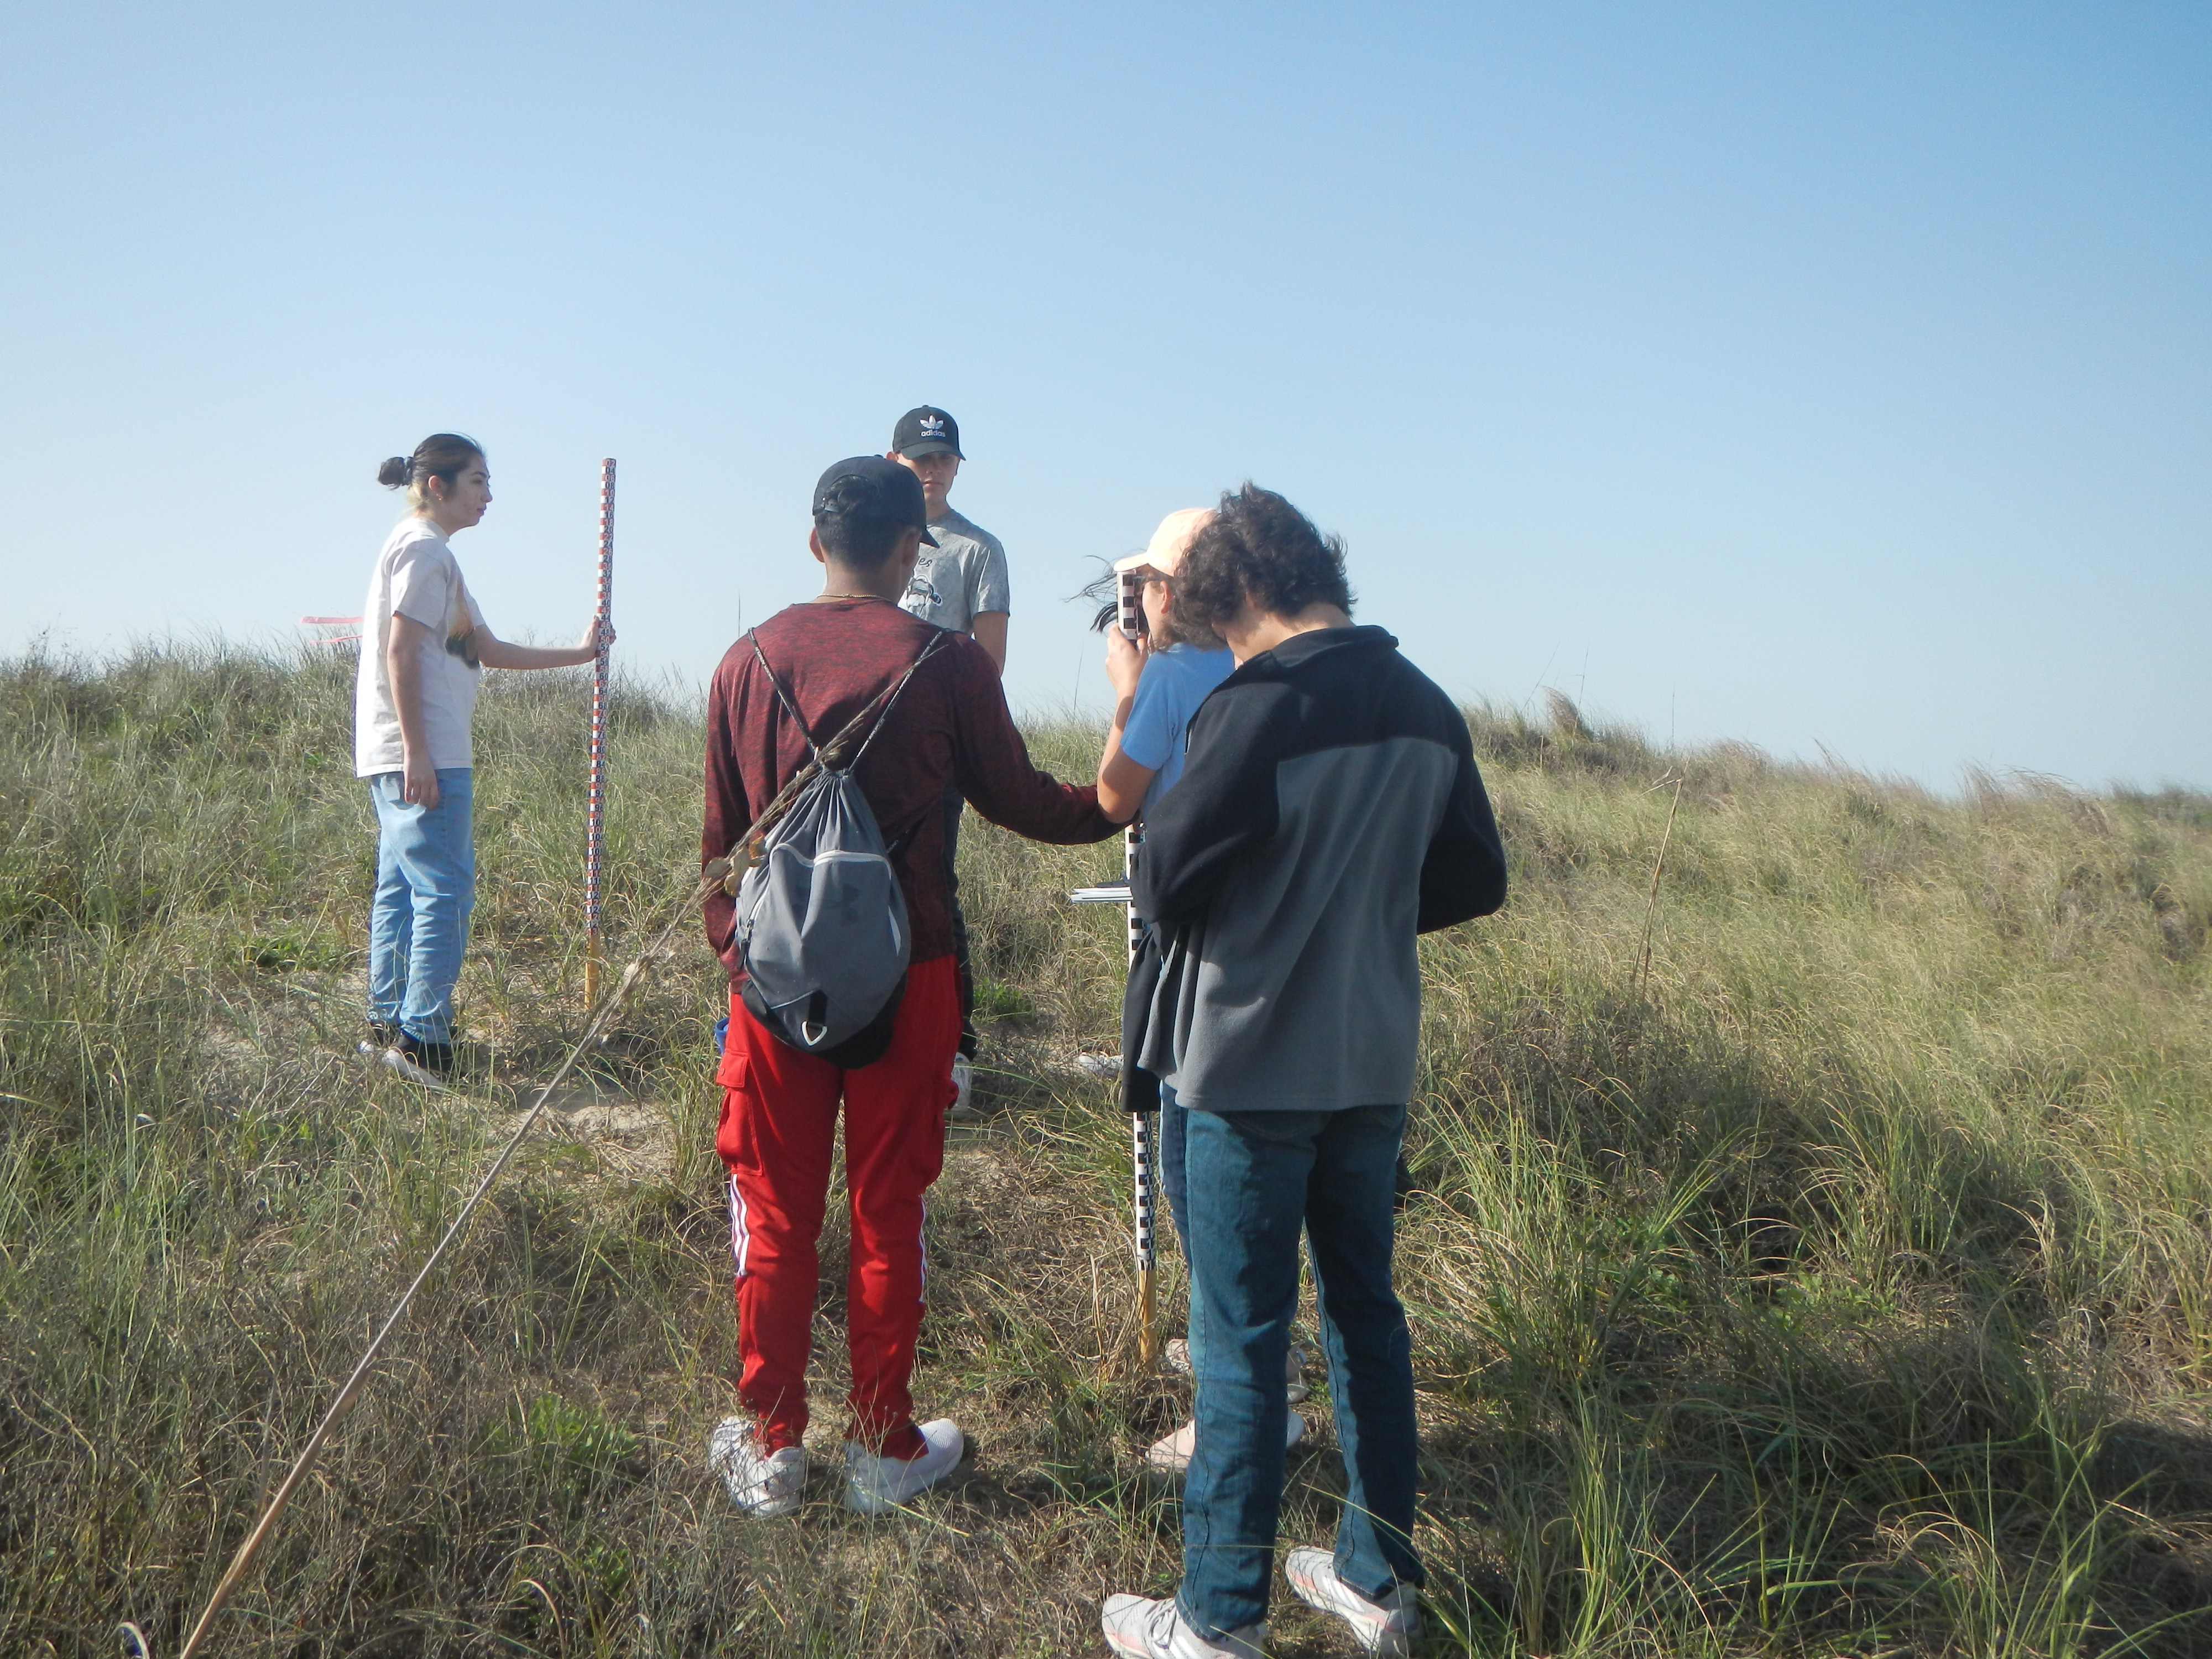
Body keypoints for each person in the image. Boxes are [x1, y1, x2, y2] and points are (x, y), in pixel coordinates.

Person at [1099, 486, 1507, 1659]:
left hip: (1244, 1065)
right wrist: (1359, 918)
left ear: (1243, 598)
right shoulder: (1426, 705)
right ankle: (1375, 1581)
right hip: (1370, 1055)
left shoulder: (1257, 705)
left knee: (1239, 1340)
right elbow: (1475, 878)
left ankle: (1216, 1619)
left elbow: (1164, 883)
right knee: (1365, 1317)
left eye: (1219, 624)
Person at [702, 456, 1117, 1518]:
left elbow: (721, 854)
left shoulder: (744, 662)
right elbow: (1028, 801)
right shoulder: (948, 667)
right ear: (907, 554)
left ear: (813, 544)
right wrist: (1120, 790)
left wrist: (742, 966)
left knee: (776, 1210)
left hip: (776, 985)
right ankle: (884, 1444)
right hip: (917, 968)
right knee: (890, 1213)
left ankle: (771, 1444)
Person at [354, 435, 609, 1081]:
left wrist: (579, 655)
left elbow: (485, 650)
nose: (488, 496)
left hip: (406, 751)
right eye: (477, 481)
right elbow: (400, 651)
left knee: (402, 890)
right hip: (424, 752)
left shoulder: (428, 553)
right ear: (437, 485)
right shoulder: (422, 550)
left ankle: (388, 1024)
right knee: (443, 892)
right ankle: (424, 1043)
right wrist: (418, 752)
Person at [887, 405, 1009, 1107]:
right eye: (917, 457)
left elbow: (987, 660)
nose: (930, 470)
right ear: (894, 459)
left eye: (941, 458)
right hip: (857, 749)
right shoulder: (872, 534)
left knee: (934, 887)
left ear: (957, 465)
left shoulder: (977, 551)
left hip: (935, 752)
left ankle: (955, 1047)